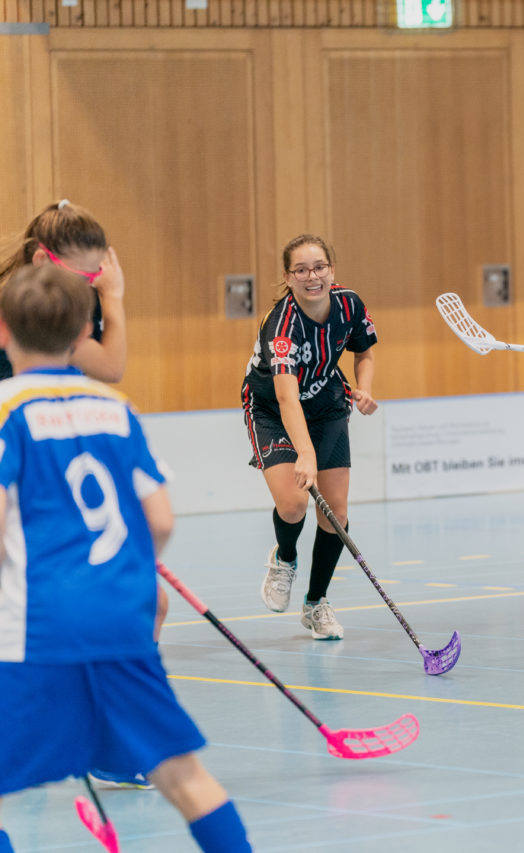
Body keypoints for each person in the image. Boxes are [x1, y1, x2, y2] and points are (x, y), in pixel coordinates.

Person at [0, 265, 252, 852]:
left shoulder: (5, 410)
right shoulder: (114, 406)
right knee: (182, 776)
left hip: (35, 629)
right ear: (86, 331)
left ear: (4, 330)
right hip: (121, 620)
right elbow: (159, 519)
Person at [0, 200, 161, 791]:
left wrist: (111, 298)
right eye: (87, 275)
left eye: (101, 275)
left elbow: (107, 367)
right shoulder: (19, 310)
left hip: (38, 481)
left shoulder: (63, 306)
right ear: (45, 259)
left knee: (150, 606)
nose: (93, 285)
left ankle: (107, 745)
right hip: (16, 479)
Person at [241, 235, 378, 640]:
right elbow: (285, 396)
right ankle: (284, 558)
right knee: (294, 503)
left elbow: (364, 350)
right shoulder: (281, 325)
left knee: (334, 512)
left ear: (331, 270)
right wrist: (305, 454)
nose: (311, 276)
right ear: (288, 276)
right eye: (300, 270)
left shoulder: (349, 303)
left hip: (326, 403)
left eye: (319, 267)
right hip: (270, 409)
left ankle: (316, 603)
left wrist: (365, 388)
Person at [0, 200, 127, 383]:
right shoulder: (30, 305)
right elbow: (111, 369)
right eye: (80, 277)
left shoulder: (80, 295)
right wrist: (113, 295)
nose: (87, 287)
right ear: (42, 260)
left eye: (93, 277)